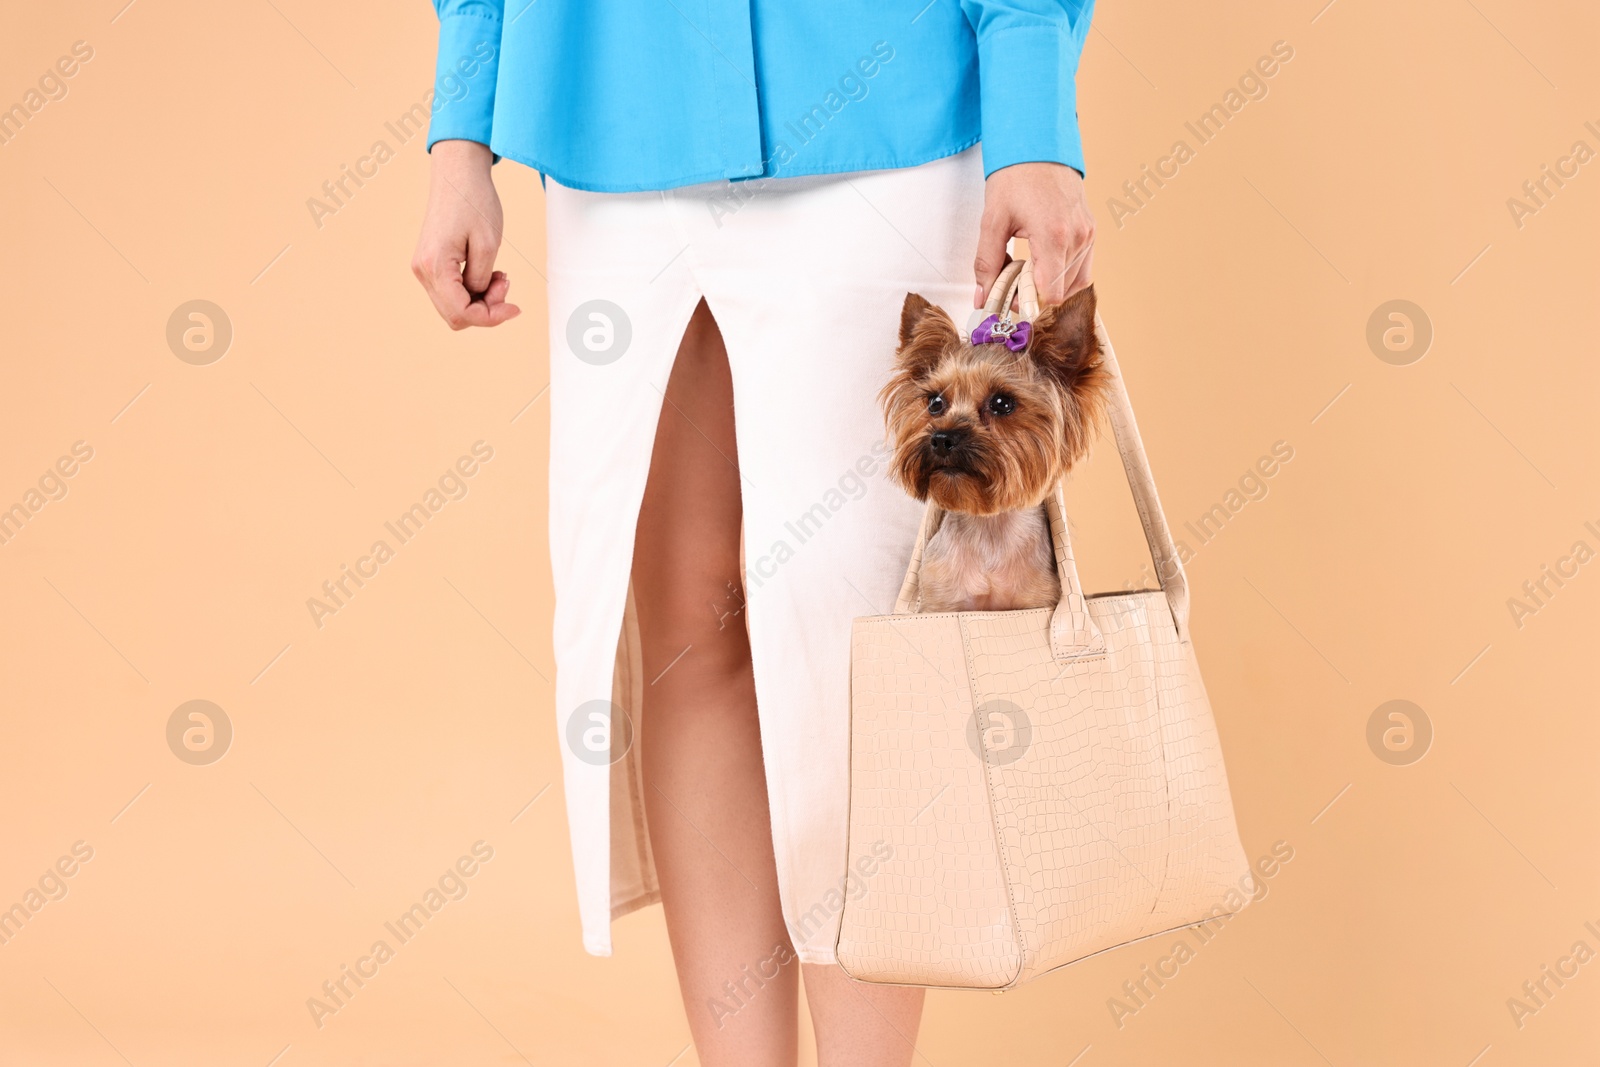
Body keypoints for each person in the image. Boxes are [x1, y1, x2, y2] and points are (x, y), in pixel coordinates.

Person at [412, 4, 1097, 1064]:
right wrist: (462, 132)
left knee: (859, 634)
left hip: (884, 96)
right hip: (615, 105)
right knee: (687, 615)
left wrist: (1032, 113)